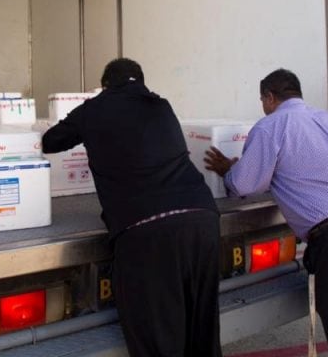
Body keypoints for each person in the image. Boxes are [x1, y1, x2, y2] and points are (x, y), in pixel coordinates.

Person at [41, 58, 223, 357]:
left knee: (159, 333)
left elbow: (51, 142)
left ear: (104, 85)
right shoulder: (162, 106)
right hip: (201, 218)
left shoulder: (94, 109)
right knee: (202, 328)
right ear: (141, 81)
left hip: (146, 229)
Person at [204, 68, 328, 357]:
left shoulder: (271, 126)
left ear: (269, 97)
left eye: (262, 100)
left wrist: (229, 171)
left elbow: (244, 184)